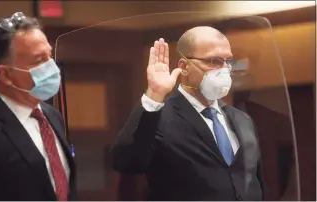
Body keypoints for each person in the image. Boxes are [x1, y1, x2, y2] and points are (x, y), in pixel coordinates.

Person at [111, 26, 265, 200]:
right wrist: (154, 95)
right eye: (214, 61)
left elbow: (254, 181)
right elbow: (126, 162)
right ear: (184, 66)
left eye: (228, 61)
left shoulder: (241, 119)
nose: (224, 69)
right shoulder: (160, 116)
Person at [0, 12, 76, 200]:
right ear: (5, 75)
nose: (52, 67)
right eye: (40, 60)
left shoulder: (52, 116)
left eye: (50, 55)